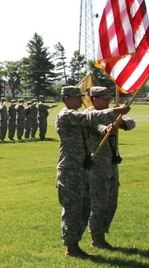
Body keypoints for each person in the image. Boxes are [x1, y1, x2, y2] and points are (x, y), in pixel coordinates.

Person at [55, 85, 130, 258]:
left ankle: (76, 244)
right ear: (66, 98)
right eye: (77, 97)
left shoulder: (76, 116)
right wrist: (114, 111)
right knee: (73, 207)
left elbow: (93, 123)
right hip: (70, 169)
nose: (81, 100)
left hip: (83, 167)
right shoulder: (66, 115)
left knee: (85, 207)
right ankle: (71, 247)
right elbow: (89, 117)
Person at [86, 86, 136, 250]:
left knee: (111, 202)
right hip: (97, 165)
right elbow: (96, 127)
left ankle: (103, 232)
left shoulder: (111, 114)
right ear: (94, 99)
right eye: (104, 98)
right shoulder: (89, 115)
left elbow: (131, 123)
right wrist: (106, 129)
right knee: (98, 202)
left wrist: (119, 123)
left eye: (108, 97)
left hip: (111, 163)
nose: (108, 101)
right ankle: (96, 236)